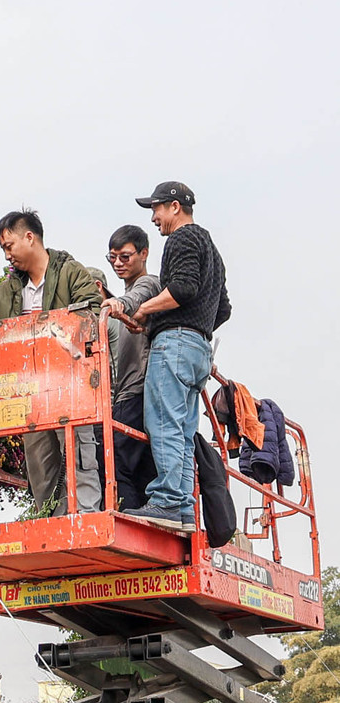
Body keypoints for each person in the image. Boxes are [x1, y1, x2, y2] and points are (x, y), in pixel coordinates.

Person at [0, 210, 103, 515]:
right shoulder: (7, 291)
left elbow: (93, 313)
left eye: (9, 246)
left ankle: (85, 515)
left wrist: (51, 332)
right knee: (39, 460)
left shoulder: (72, 272)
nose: (7, 255)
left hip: (70, 385)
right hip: (30, 391)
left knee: (78, 452)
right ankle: (49, 518)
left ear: (30, 237)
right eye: (3, 249)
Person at [119, 182, 230, 531]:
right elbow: (223, 308)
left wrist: (144, 312)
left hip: (176, 346)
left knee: (164, 425)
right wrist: (196, 324)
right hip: (198, 349)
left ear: (175, 207)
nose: (153, 218)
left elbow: (182, 288)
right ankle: (182, 508)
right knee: (182, 432)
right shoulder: (211, 247)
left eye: (156, 209)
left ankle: (167, 502)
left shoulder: (182, 239)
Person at [96, 224, 161, 510]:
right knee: (142, 465)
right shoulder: (127, 294)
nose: (118, 264)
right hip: (130, 391)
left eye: (125, 256)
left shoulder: (148, 286)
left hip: (136, 390)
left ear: (143, 253)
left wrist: (119, 303)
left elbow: (139, 294)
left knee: (113, 456)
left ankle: (125, 517)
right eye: (112, 258)